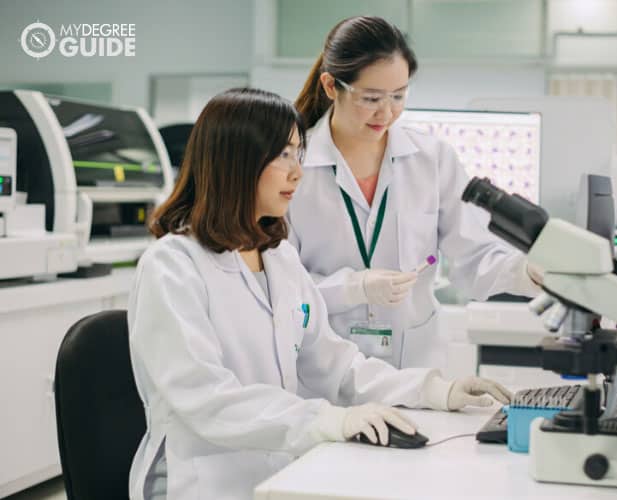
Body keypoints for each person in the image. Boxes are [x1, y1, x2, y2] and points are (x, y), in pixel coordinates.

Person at [127, 88, 513, 500]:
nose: (297, 172)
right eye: (282, 156)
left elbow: (336, 366)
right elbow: (205, 398)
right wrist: (329, 420)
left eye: (298, 154)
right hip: (202, 482)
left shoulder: (279, 260)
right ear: (234, 163)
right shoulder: (171, 266)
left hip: (280, 471)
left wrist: (436, 390)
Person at [288, 16, 542, 369]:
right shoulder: (294, 166)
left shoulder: (431, 159)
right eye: (372, 98)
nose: (387, 112)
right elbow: (282, 285)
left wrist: (529, 272)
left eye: (398, 95)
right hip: (324, 372)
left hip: (414, 370)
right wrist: (353, 288)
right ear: (331, 86)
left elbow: (474, 257)